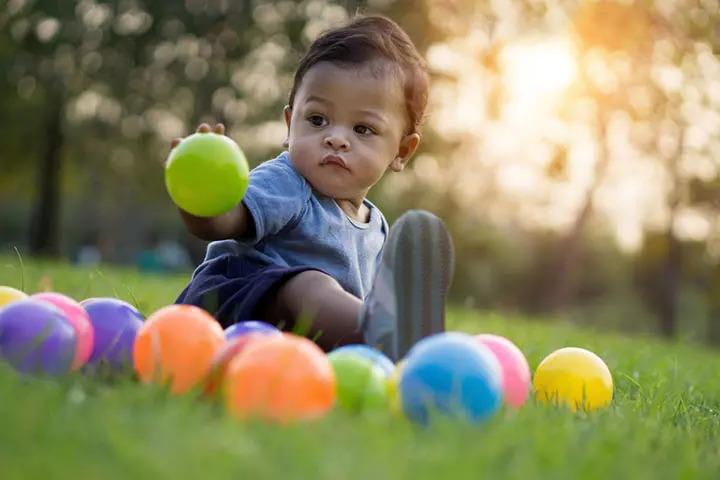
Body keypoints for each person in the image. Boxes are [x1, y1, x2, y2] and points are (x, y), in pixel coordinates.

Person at [174, 15, 454, 360]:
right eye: (318, 120)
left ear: (401, 151)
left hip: (293, 344)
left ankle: (399, 340)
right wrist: (200, 194)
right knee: (310, 285)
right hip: (225, 309)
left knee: (345, 299)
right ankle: (391, 340)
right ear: (291, 124)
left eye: (362, 129)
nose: (336, 138)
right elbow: (224, 222)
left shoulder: (377, 227)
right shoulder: (289, 181)